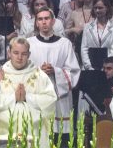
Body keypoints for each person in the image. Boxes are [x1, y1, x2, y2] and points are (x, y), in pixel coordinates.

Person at [27, 8, 80, 139]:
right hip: (37, 94)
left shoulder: (65, 44)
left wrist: (55, 71)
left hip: (59, 97)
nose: (44, 22)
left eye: (47, 18)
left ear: (53, 21)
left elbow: (74, 71)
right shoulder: (29, 43)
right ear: (36, 23)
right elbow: (24, 70)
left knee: (60, 138)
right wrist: (39, 71)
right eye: (40, 19)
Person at [0, 37, 57, 143]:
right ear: (9, 53)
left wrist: (27, 97)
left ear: (29, 55)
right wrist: (13, 98)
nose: (19, 57)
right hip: (5, 131)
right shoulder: (0, 75)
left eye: (24, 54)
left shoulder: (39, 75)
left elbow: (51, 101)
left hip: (34, 132)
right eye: (16, 53)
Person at [80, 0, 113, 71]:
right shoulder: (87, 27)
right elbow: (84, 48)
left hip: (107, 70)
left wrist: (106, 67)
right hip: (89, 68)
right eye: (95, 8)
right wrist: (88, 66)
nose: (97, 10)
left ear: (107, 8)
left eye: (100, 8)